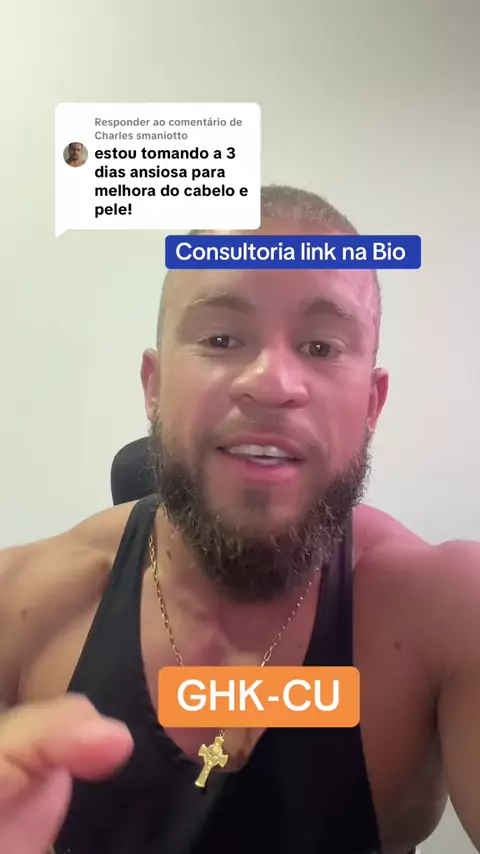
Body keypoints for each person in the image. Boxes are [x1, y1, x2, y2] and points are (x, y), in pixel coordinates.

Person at [0, 184, 479, 854]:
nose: (272, 381)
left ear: (372, 405)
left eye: (320, 347)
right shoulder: (21, 604)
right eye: (222, 338)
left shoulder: (451, 609)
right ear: (154, 387)